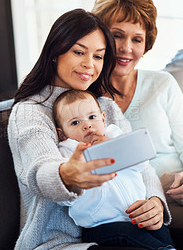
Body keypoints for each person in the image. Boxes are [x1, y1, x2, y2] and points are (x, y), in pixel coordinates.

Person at [7, 8, 169, 250]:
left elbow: (140, 163)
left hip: (125, 224)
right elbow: (40, 170)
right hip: (62, 242)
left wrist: (155, 201)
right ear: (55, 52)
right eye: (79, 52)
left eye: (98, 56)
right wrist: (67, 175)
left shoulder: (105, 106)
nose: (88, 65)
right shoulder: (31, 111)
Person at [92, 0, 183, 249]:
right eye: (117, 35)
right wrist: (155, 189)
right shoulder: (85, 101)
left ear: (146, 44)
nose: (127, 48)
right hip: (140, 203)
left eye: (137, 39)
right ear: (101, 37)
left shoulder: (162, 84)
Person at [53, 89, 175, 250]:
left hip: (137, 215)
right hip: (100, 226)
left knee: (160, 230)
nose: (87, 125)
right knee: (127, 234)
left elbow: (141, 166)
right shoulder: (67, 153)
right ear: (62, 134)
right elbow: (62, 194)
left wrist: (112, 145)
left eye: (92, 117)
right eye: (75, 122)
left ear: (103, 119)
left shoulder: (115, 136)